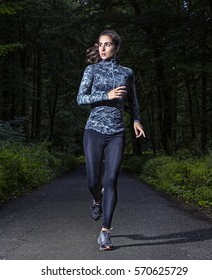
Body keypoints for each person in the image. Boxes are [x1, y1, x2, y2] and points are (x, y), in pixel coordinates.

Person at [77, 30, 145, 251]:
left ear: (116, 47)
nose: (102, 49)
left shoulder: (127, 72)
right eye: (100, 44)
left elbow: (133, 100)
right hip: (94, 130)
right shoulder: (92, 70)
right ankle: (97, 200)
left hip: (117, 132)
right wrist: (105, 96)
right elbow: (80, 98)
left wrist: (136, 120)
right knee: (92, 181)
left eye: (107, 45)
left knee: (111, 180)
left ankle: (105, 232)